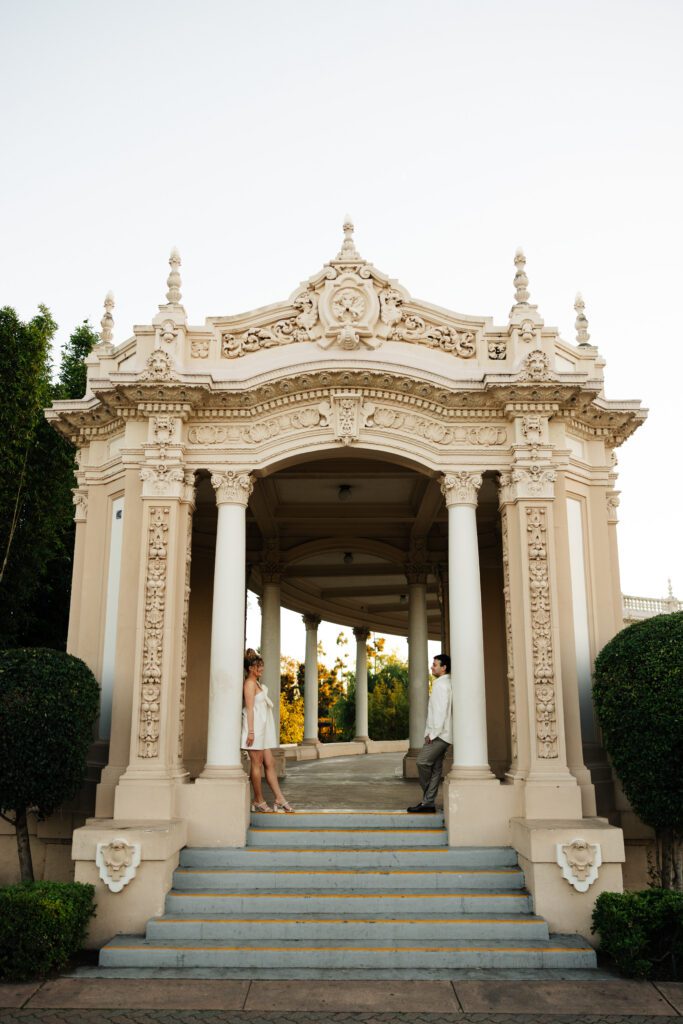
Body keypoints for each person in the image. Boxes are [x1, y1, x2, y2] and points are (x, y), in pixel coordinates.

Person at [241, 648, 294, 813]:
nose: (261, 669)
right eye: (259, 666)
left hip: (261, 728)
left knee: (270, 763)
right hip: (254, 728)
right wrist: (251, 732)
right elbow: (250, 709)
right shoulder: (249, 684)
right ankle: (258, 800)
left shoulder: (256, 683)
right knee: (256, 764)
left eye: (261, 665)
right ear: (251, 668)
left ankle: (279, 798)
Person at [407, 653, 452, 813]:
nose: (432, 667)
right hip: (443, 734)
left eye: (435, 665)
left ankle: (428, 799)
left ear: (443, 667)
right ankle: (428, 803)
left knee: (422, 762)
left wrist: (432, 735)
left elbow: (440, 712)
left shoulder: (440, 685)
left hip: (439, 735)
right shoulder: (447, 683)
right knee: (436, 768)